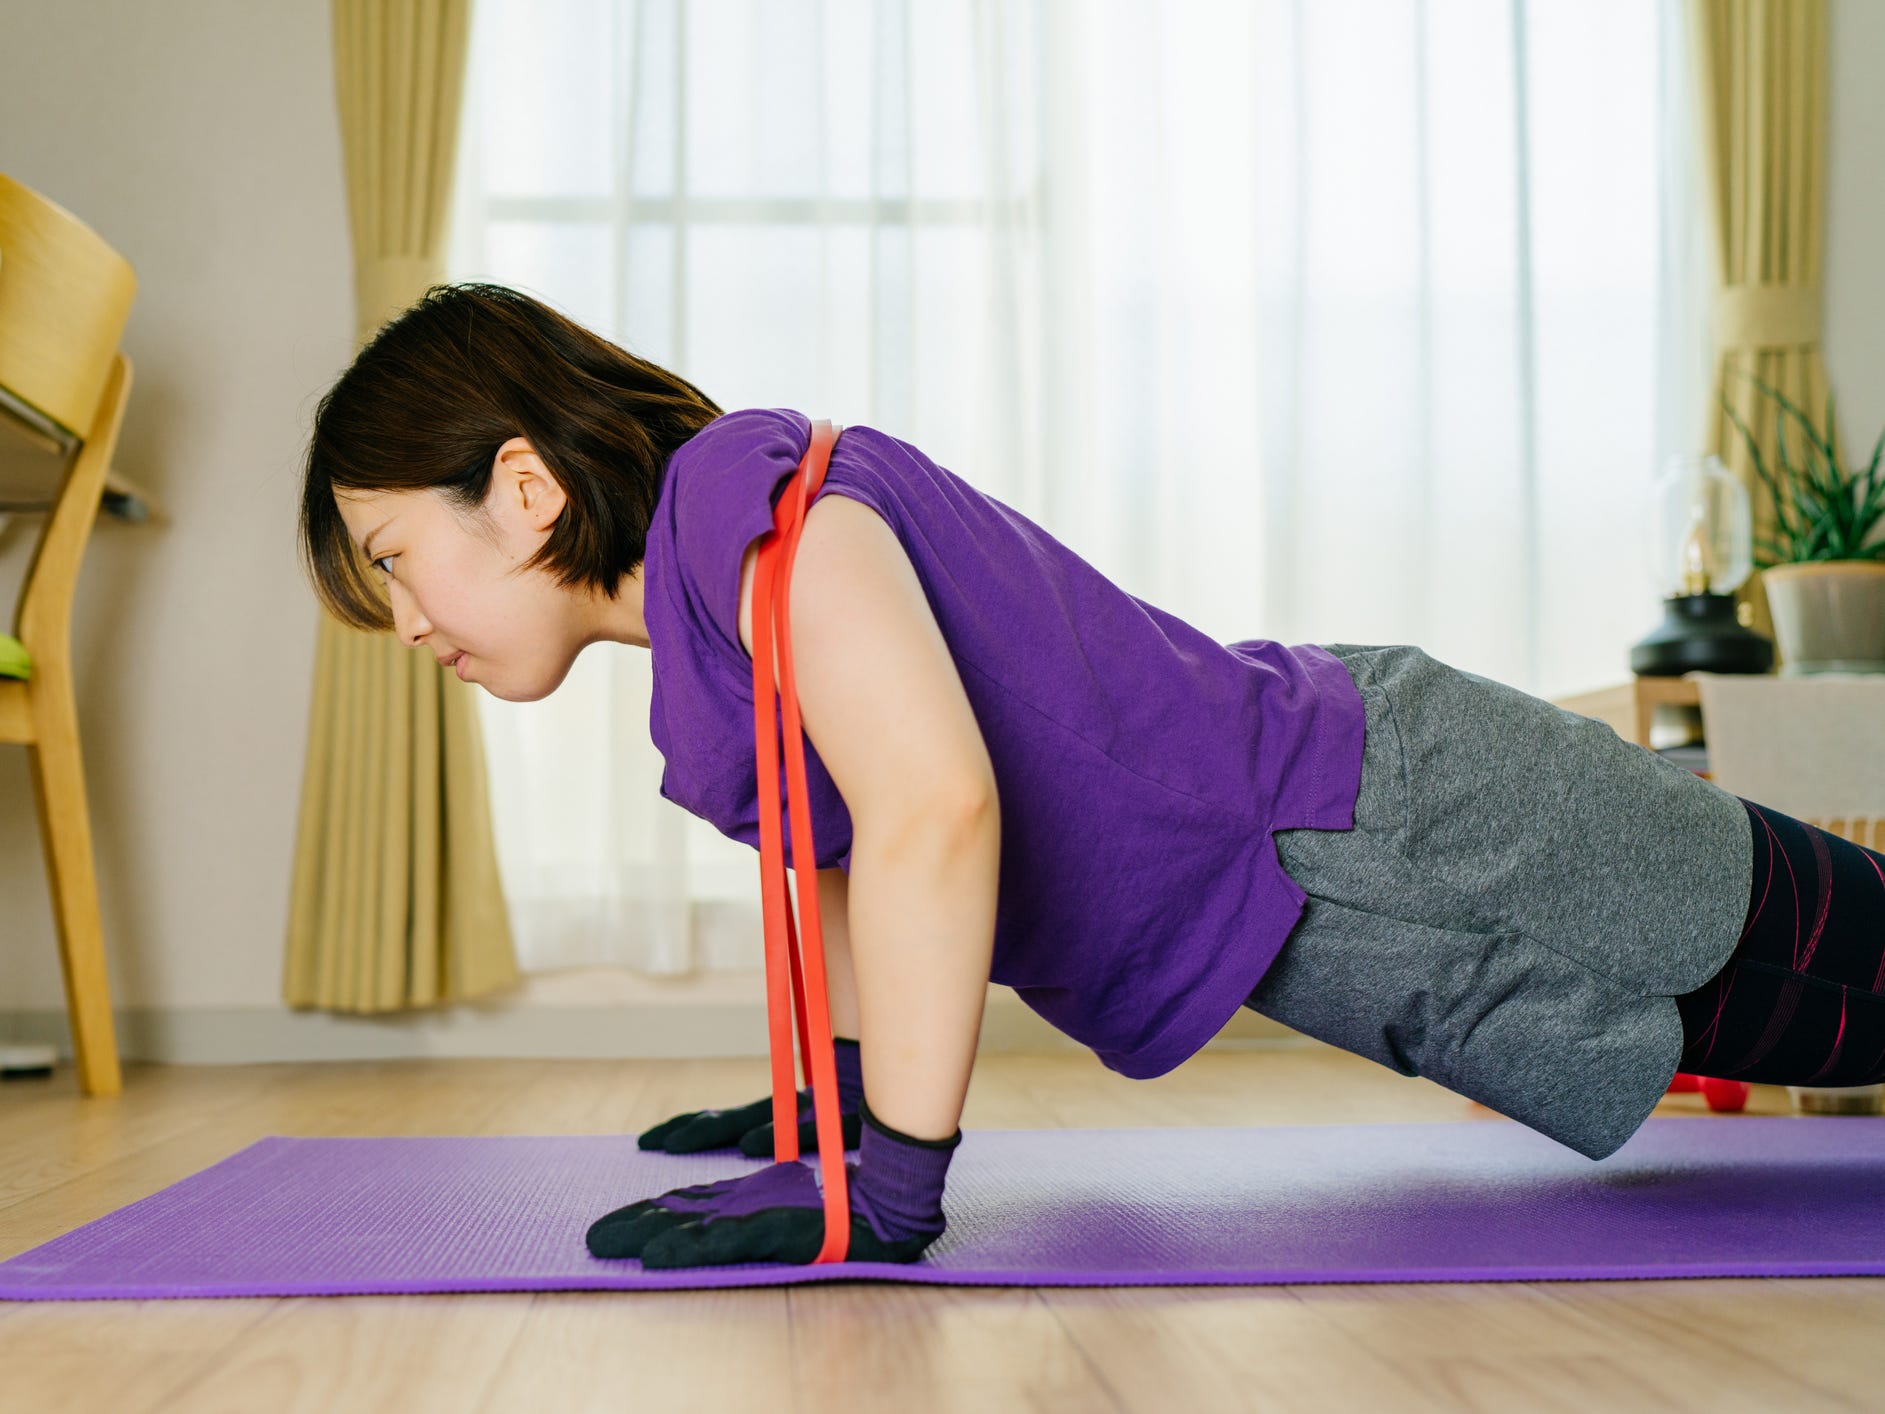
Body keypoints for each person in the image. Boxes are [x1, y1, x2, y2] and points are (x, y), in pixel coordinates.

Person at [300, 282, 1885, 1272]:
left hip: (1397, 796)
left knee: (1842, 950)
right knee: (1791, 1024)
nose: (406, 621)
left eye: (395, 559)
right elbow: (846, 851)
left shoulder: (736, 498)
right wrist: (835, 1105)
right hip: (1342, 920)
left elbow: (937, 807)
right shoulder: (710, 653)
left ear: (518, 488)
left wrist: (897, 1185)